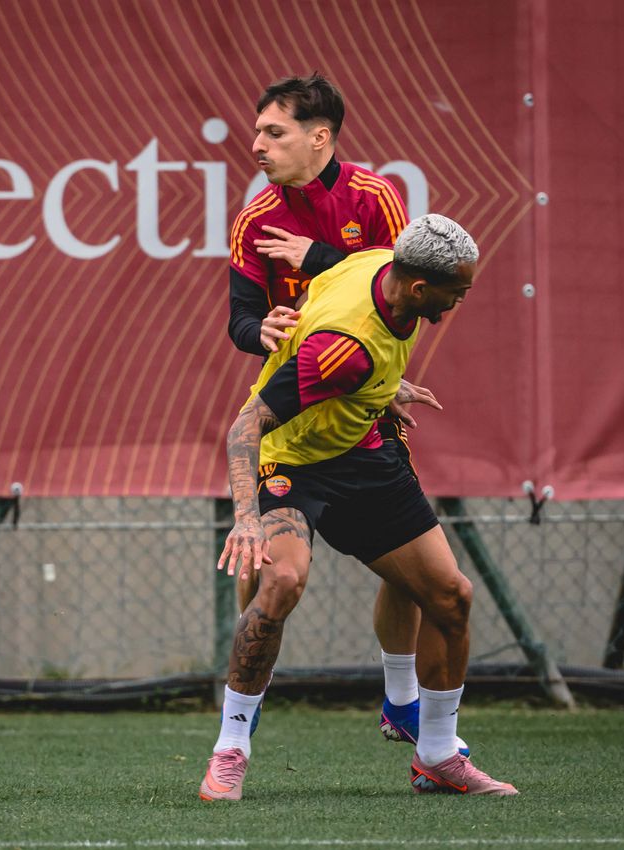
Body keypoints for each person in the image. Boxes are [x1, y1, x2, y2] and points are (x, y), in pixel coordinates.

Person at [199, 214, 517, 800]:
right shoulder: (343, 351)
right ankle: (231, 747)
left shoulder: (378, 263)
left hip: (362, 450)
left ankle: (437, 756)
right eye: (458, 290)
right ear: (419, 287)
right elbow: (246, 426)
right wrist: (246, 517)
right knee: (282, 581)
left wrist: (380, 390)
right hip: (290, 461)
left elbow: (329, 304)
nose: (461, 299)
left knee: (451, 596)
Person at [225, 73, 452, 754]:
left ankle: (401, 702)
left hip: (362, 410)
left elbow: (403, 290)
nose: (257, 144)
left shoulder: (373, 197)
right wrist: (260, 329)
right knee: (269, 573)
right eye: (257, 131)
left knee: (410, 573)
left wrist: (317, 258)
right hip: (289, 417)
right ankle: (242, 704)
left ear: (319, 137)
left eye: (274, 132)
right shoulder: (253, 219)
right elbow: (240, 320)